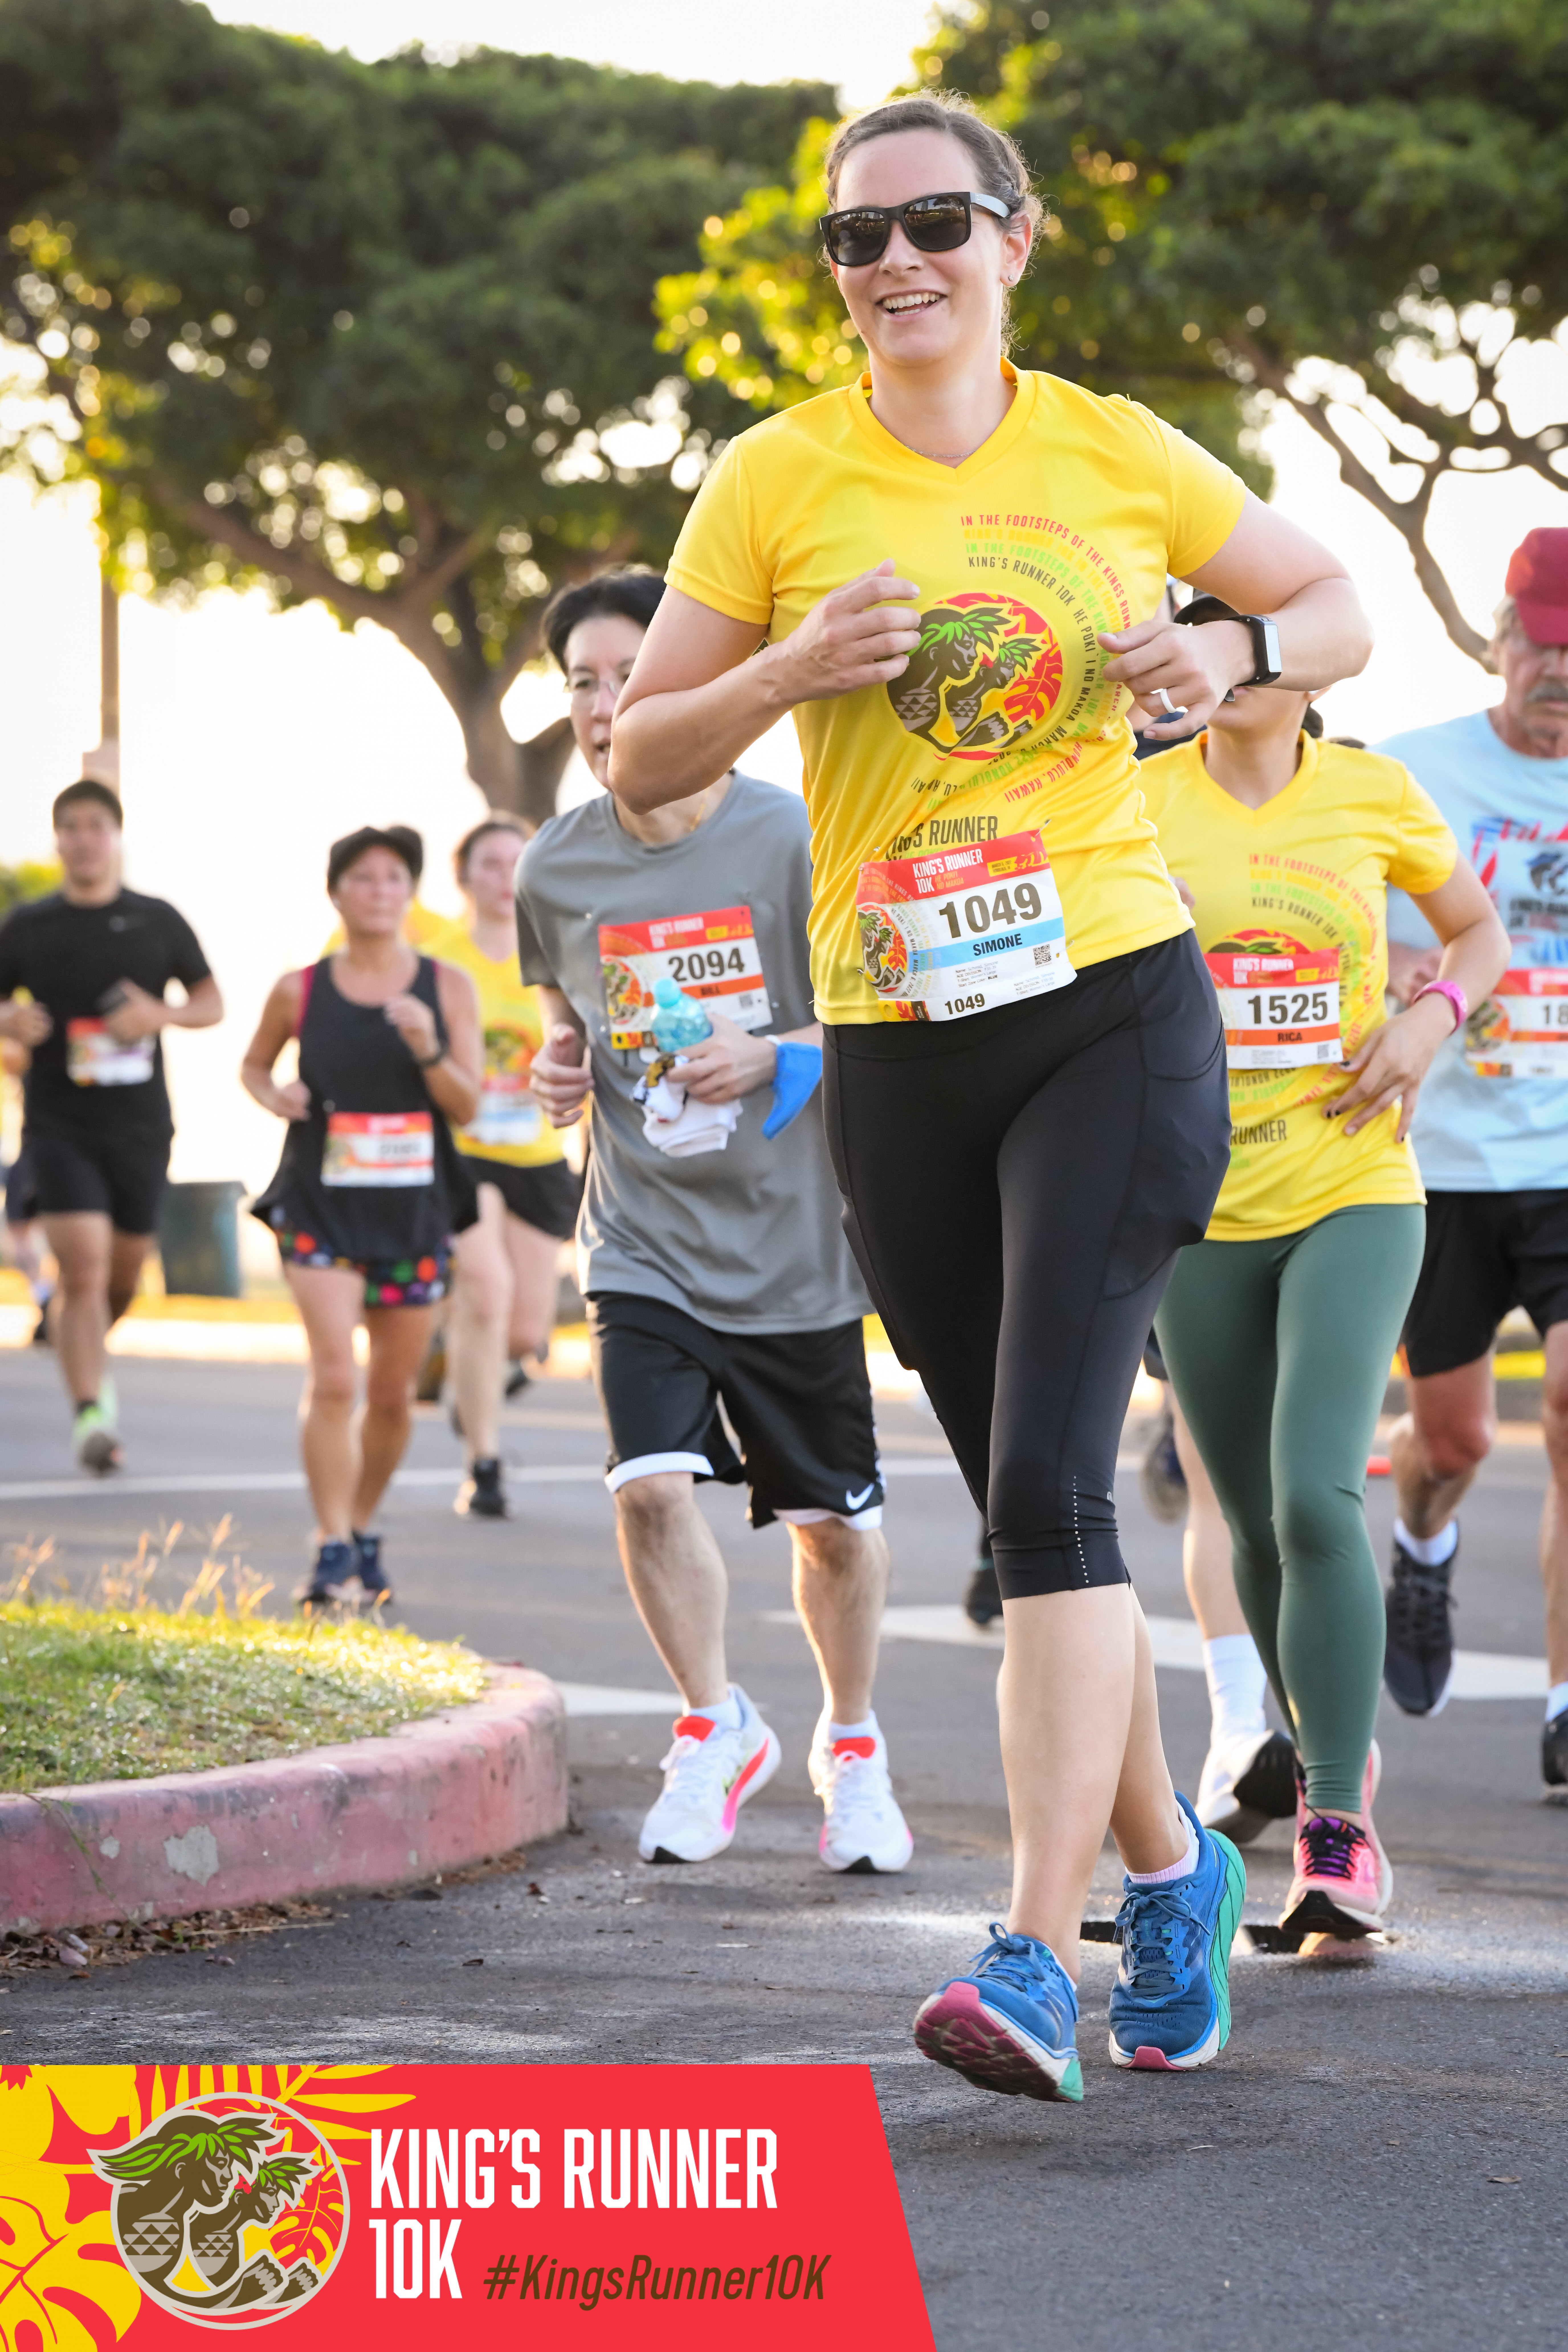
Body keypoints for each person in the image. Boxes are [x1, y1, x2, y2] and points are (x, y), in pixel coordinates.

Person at [609, 89, 1376, 2098]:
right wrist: (781, 675)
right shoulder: (773, 477)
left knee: (1048, 1480)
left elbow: (1337, 604)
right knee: (1027, 1508)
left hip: (1108, 1007)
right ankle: (1176, 1856)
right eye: (856, 241)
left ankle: (1038, 1950)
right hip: (896, 1040)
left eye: (935, 222)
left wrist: (1218, 650)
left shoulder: (1112, 444)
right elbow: (634, 761)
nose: (895, 264)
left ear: (1015, 240)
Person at [520, 568, 912, 1879]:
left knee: (835, 1531)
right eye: (581, 677)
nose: (602, 700)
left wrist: (777, 1055)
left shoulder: (796, 836)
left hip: (797, 1252)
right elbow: (570, 1022)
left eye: (627, 671)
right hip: (641, 1240)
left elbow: (882, 1017)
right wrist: (558, 1067)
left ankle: (849, 1743)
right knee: (646, 1488)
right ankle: (713, 1720)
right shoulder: (555, 863)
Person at [1141, 684, 1505, 1941]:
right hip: (1197, 1212)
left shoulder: (1370, 793)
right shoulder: (1131, 803)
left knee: (1312, 1495)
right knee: (1247, 1525)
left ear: (1306, 672)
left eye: (1260, 637)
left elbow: (1474, 933)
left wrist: (1425, 1023)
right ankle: (1314, 1766)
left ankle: (1337, 1829)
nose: (1229, 662)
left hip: (1355, 1188)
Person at [1376, 532, 1568, 1793]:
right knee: (1450, 1445)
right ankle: (1419, 1548)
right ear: (1498, 639)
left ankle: (1563, 1701)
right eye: (1541, 643)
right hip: (1437, 1161)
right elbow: (1350, 941)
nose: (1556, 668)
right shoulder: (1412, 772)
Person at [240, 826, 481, 1605]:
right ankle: (333, 1542)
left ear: (411, 895)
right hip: (319, 1206)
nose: (379, 891)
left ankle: (364, 1522)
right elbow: (253, 1065)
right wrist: (277, 1095)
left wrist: (426, 1048)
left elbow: (468, 1104)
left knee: (389, 1392)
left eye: (393, 879)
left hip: (413, 1214)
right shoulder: (299, 990)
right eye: (363, 878)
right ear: (337, 892)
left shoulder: (447, 989)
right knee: (336, 1379)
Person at [0, 780, 222, 1471]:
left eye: (96, 825)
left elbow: (211, 1002)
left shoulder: (156, 920)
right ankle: (91, 1415)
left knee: (122, 1276)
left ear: (116, 835)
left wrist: (163, 1015)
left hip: (142, 1126)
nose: (84, 838)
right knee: (84, 1269)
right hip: (58, 1125)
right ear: (57, 838)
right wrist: (7, 1021)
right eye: (70, 827)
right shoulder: (27, 926)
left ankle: (82, 1344)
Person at [429, 815, 582, 1520]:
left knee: (524, 1333)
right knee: (485, 1292)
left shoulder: (560, 939)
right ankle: (482, 1465)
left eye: (514, 863)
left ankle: (465, 1365)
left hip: (537, 1150)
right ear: (463, 878)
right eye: (488, 864)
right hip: (463, 1152)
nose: (502, 877)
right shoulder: (437, 953)